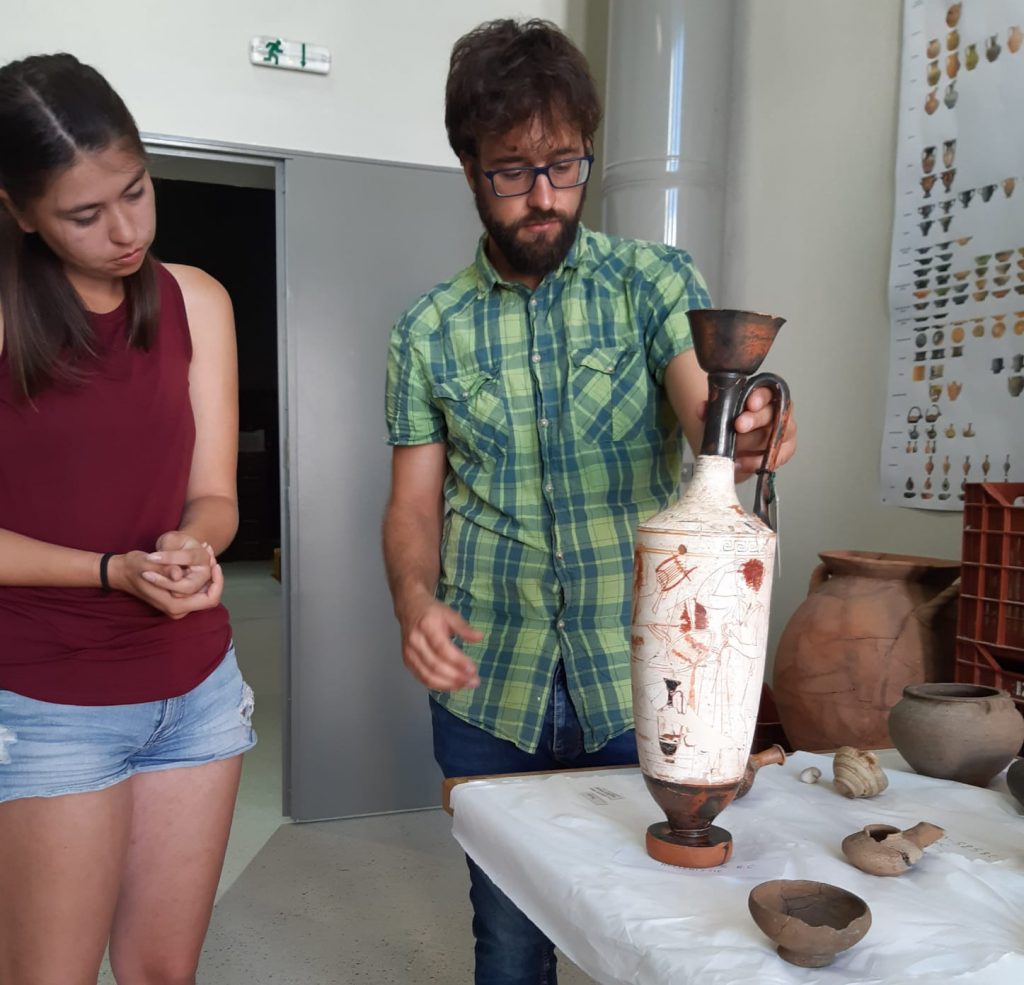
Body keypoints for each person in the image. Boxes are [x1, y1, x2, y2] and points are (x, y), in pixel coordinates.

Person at [382, 18, 797, 984]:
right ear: (468, 165)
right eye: (511, 171)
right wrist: (413, 599)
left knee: (662, 925)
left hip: (641, 674)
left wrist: (747, 427)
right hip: (492, 683)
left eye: (565, 165)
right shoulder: (426, 330)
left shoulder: (652, 283)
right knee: (509, 935)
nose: (543, 196)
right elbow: (412, 505)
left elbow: (704, 409)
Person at [0, 53, 253, 984]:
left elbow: (215, 495)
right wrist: (111, 570)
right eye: (84, 214)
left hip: (196, 688)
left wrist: (193, 545)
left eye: (137, 192)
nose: (125, 231)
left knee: (161, 971)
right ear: (20, 211)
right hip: (44, 696)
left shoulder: (198, 300)